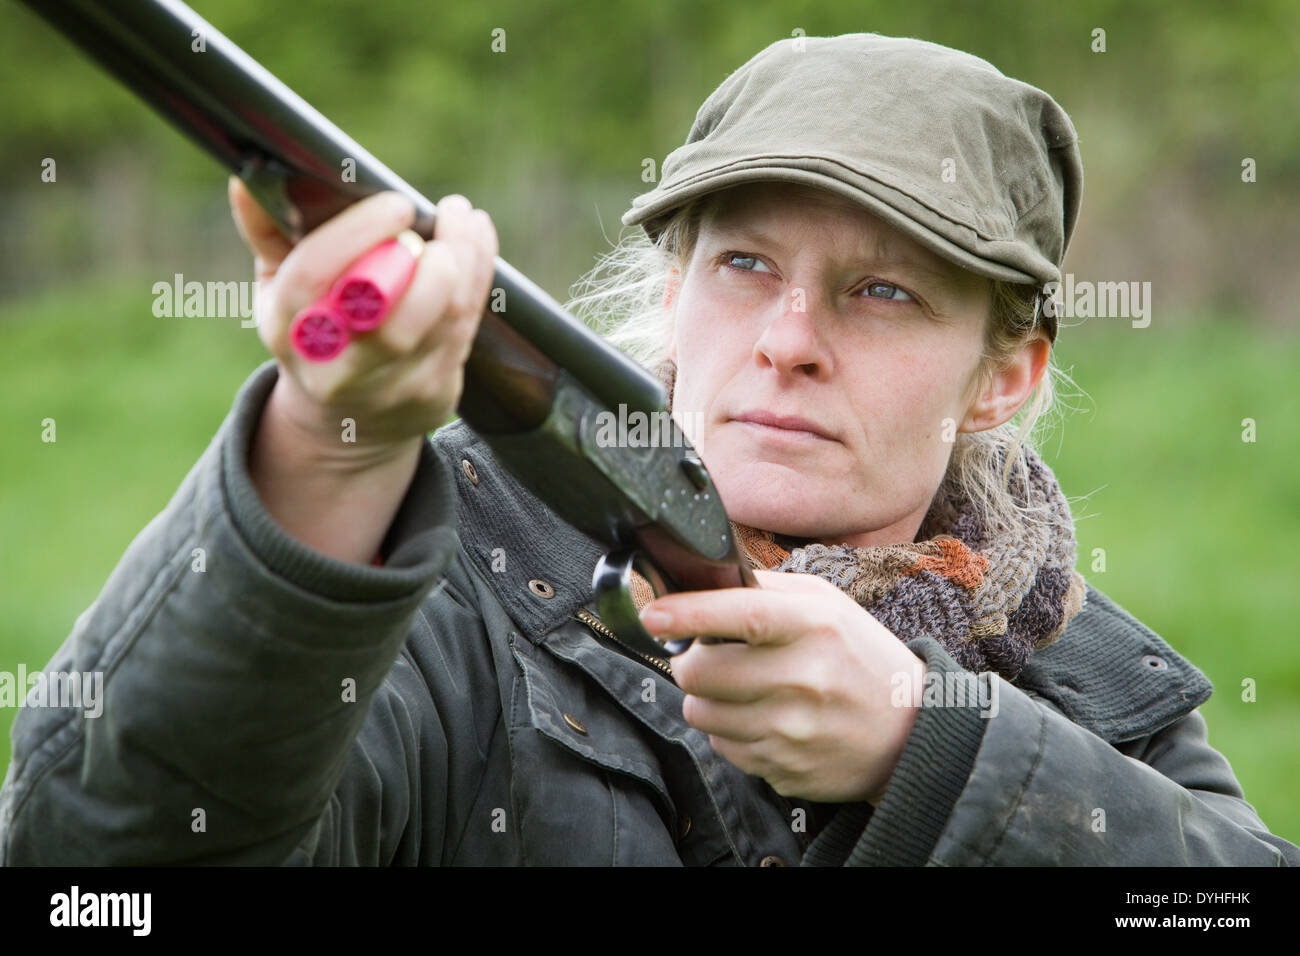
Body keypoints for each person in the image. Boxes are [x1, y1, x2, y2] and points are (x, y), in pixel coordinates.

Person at [1, 33, 1295, 866]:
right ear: (674, 295)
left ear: (1006, 377)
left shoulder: (1056, 659)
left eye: (882, 292)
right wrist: (331, 455)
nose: (788, 340)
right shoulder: (455, 585)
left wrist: (924, 749)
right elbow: (102, 871)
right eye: (744, 264)